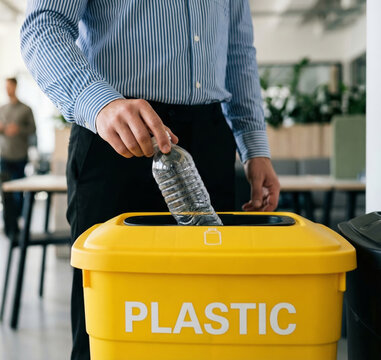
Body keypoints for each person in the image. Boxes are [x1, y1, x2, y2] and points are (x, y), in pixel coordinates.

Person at [20, 2, 281, 359]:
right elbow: (43, 24)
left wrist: (254, 147)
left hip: (210, 143)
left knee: (207, 319)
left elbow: (238, 52)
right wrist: (99, 102)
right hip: (119, 135)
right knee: (113, 327)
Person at [0, 77, 36, 237]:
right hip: (4, 154)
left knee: (19, 192)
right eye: (5, 87)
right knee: (4, 192)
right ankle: (8, 224)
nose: (8, 90)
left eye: (10, 87)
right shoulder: (1, 108)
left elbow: (32, 129)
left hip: (19, 155)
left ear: (15, 87)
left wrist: (18, 129)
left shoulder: (26, 109)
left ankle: (18, 221)